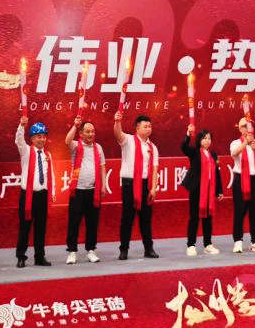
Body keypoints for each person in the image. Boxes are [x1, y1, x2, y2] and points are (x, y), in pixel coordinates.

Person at [114, 112, 160, 260]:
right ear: (137, 128)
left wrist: (153, 188)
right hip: (129, 184)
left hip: (146, 185)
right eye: (145, 126)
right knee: (127, 218)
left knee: (146, 220)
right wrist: (117, 121)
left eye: (150, 126)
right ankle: (124, 250)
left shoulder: (153, 147)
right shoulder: (128, 140)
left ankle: (149, 249)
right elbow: (117, 134)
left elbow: (154, 169)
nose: (148, 129)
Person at [64, 117, 107, 264]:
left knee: (92, 223)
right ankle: (72, 252)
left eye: (93, 131)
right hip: (77, 191)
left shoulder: (98, 147)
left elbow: (102, 167)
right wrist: (75, 126)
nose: (91, 134)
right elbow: (67, 141)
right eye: (87, 131)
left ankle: (91, 250)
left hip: (93, 191)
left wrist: (103, 185)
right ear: (81, 134)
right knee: (74, 222)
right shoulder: (76, 145)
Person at [15, 117, 56, 267]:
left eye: (44, 136)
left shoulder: (47, 155)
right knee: (25, 227)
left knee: (41, 228)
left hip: (42, 196)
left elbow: (51, 174)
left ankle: (39, 257)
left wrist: (52, 192)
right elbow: (19, 140)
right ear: (32, 138)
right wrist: (21, 126)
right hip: (28, 196)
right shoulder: (26, 151)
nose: (42, 139)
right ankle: (21, 256)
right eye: (39, 136)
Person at [181, 124, 224, 256]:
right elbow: (184, 148)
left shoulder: (213, 155)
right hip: (197, 190)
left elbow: (216, 174)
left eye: (209, 138)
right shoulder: (195, 152)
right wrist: (188, 134)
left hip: (210, 191)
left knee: (208, 219)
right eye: (204, 138)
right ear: (199, 140)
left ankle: (208, 244)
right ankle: (191, 245)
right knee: (194, 218)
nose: (207, 141)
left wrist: (219, 191)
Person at [230, 117, 255, 253]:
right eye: (245, 126)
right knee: (239, 211)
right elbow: (234, 153)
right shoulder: (235, 143)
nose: (248, 128)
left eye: (250, 125)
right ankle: (238, 241)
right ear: (240, 128)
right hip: (240, 180)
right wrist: (245, 142)